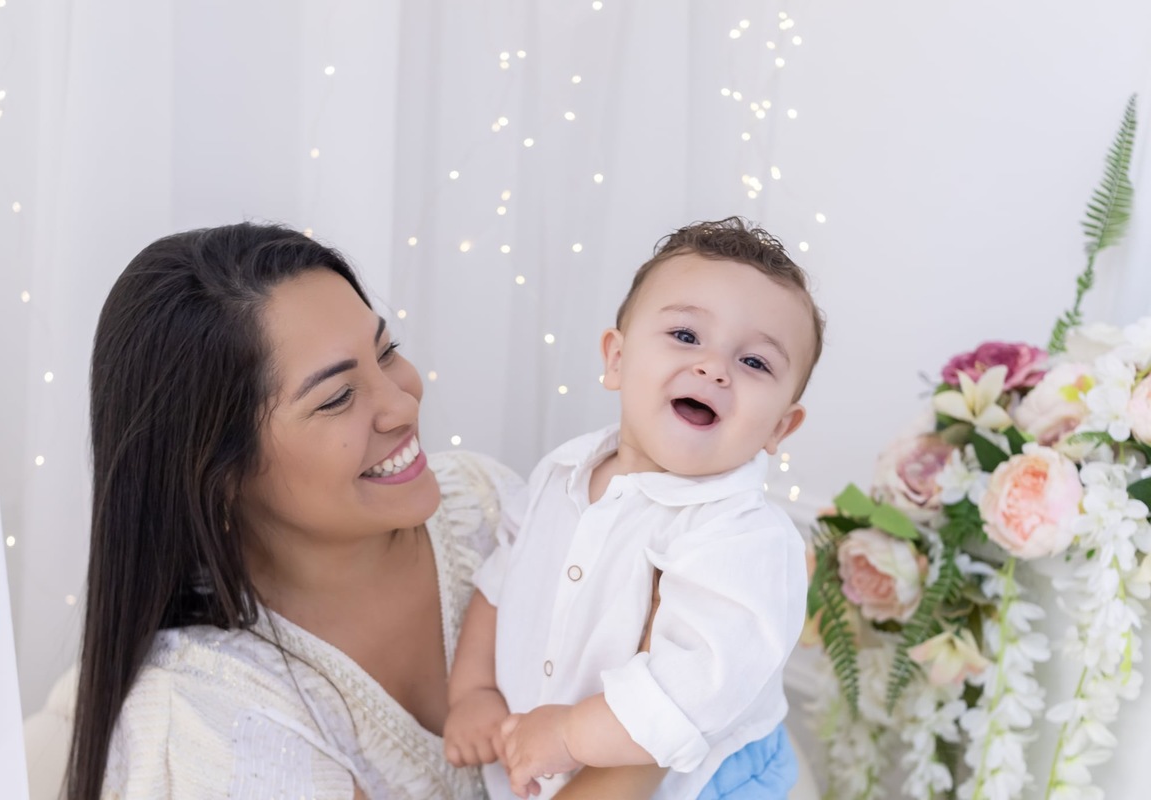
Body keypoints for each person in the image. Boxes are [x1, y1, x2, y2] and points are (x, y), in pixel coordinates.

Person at [66, 223, 667, 800]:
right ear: (221, 474)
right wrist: (664, 707)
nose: (402, 404)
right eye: (338, 397)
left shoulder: (483, 506)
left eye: (386, 352)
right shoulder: (208, 719)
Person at [444, 218, 824, 799]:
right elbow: (501, 582)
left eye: (754, 363)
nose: (714, 367)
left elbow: (692, 691)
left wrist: (569, 733)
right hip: (538, 764)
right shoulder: (562, 474)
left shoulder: (745, 539)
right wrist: (473, 693)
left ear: (780, 425)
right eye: (686, 335)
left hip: (702, 785)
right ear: (616, 359)